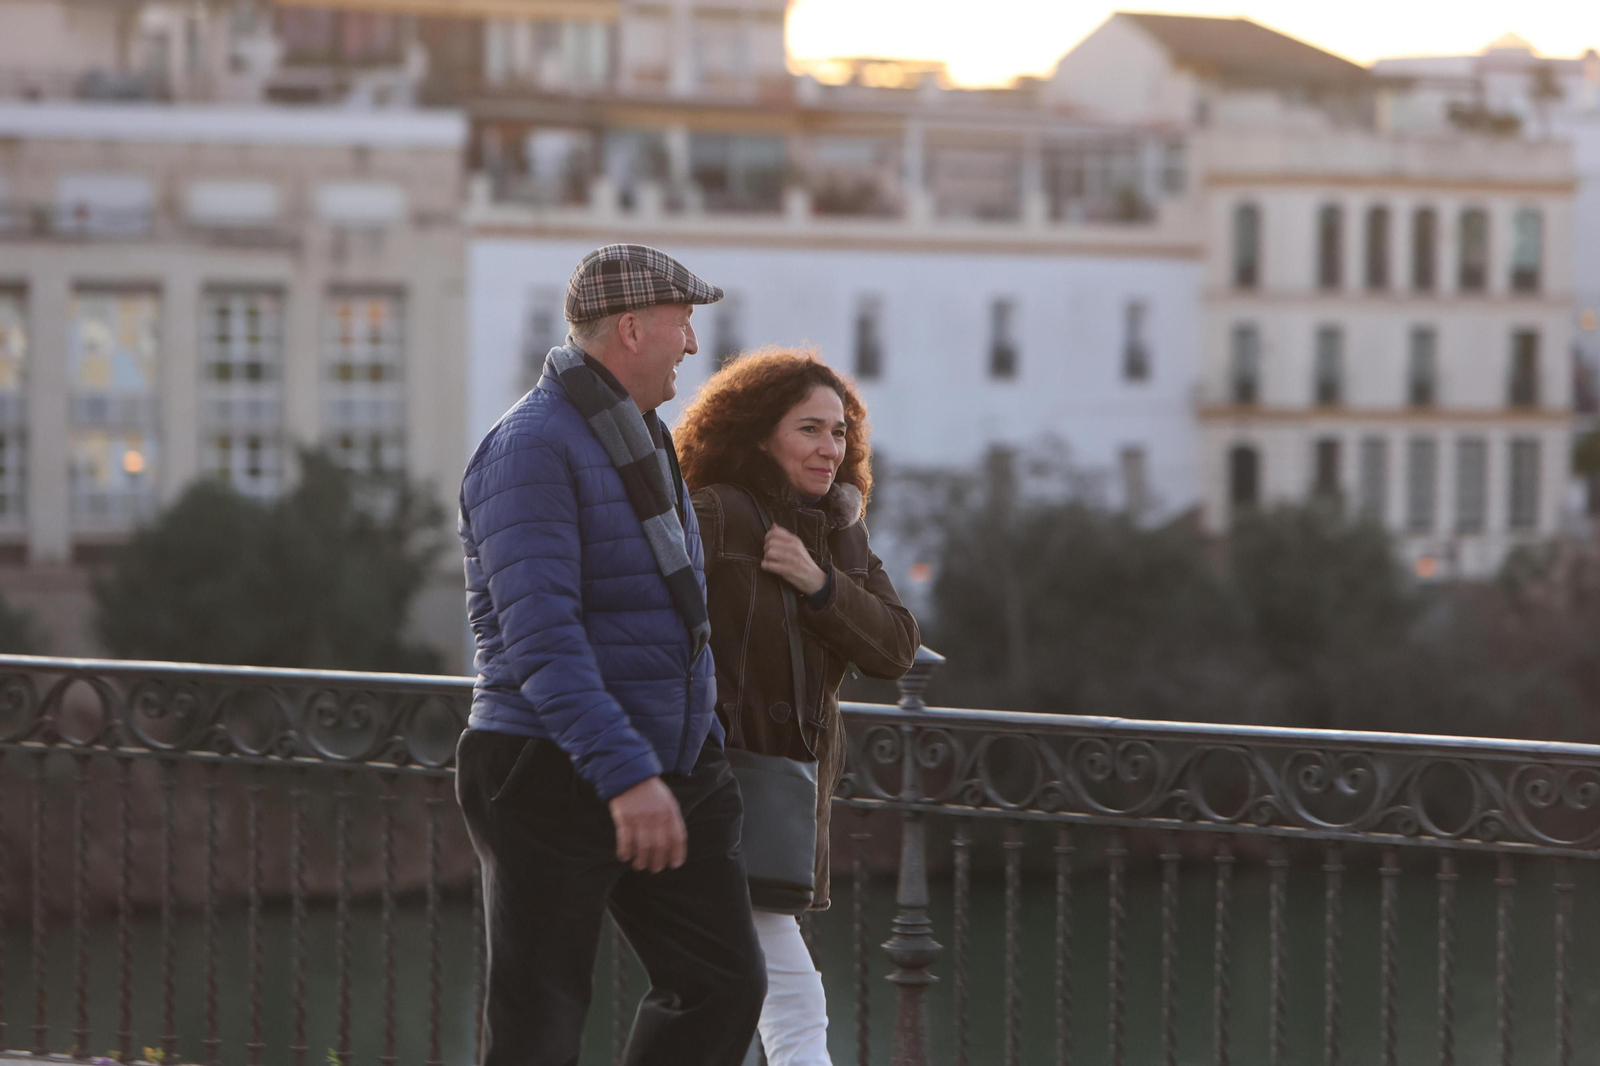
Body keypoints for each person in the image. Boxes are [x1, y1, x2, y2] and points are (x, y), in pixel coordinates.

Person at [454, 244, 766, 1066]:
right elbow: (543, 640)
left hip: (664, 763)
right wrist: (628, 777)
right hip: (549, 768)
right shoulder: (530, 449)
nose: (694, 345)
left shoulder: (640, 439)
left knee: (724, 985)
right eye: (682, 324)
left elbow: (670, 615)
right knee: (541, 1024)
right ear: (631, 329)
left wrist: (697, 751)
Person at [677, 348, 920, 1066]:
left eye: (840, 432)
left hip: (784, 801)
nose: (829, 448)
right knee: (789, 1001)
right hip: (717, 786)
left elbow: (897, 647)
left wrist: (820, 585)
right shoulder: (713, 515)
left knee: (721, 998)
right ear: (759, 435)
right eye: (809, 429)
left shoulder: (839, 530)